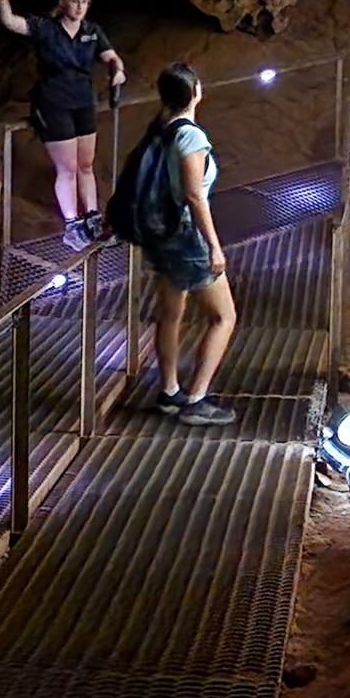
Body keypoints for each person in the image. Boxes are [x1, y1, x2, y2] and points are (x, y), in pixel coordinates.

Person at [132, 62, 237, 426]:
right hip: (185, 236)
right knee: (224, 317)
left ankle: (169, 392)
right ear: (195, 93)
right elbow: (194, 195)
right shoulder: (190, 136)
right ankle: (196, 399)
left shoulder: (158, 128)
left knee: (170, 315)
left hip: (159, 234)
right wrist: (214, 246)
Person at [0, 0, 125, 247]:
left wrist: (118, 70)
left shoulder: (92, 31)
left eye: (85, 3)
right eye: (75, 1)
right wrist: (2, 1)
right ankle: (72, 225)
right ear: (63, 2)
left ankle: (92, 218)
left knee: (86, 165)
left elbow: (111, 56)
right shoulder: (46, 29)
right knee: (68, 168)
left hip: (82, 102)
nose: (80, 7)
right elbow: (13, 23)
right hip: (54, 103)